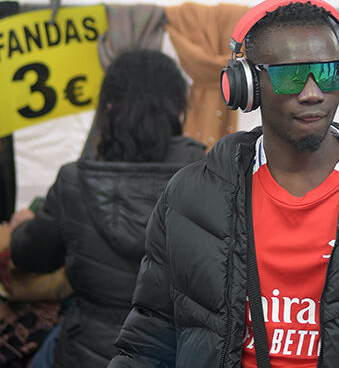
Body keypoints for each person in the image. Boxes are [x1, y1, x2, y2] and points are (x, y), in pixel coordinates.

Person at [108, 0, 339, 368]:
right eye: (290, 76)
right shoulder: (192, 196)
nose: (313, 93)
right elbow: (149, 340)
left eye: (329, 72)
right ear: (248, 85)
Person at [9, 49, 206, 368]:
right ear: (177, 108)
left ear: (109, 106)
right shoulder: (209, 175)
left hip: (87, 352)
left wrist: (21, 226)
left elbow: (30, 257)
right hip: (175, 353)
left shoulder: (74, 180)